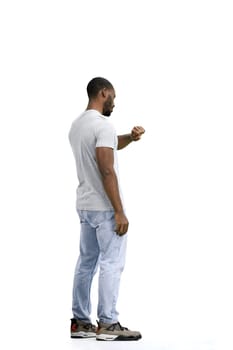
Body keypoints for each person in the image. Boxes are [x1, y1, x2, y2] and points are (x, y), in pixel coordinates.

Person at [68, 77, 145, 341]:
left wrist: (130, 139)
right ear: (104, 93)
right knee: (112, 263)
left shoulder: (78, 125)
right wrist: (119, 211)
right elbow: (106, 167)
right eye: (113, 96)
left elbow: (107, 147)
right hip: (104, 208)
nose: (115, 102)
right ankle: (108, 323)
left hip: (85, 206)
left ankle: (81, 323)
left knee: (86, 262)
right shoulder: (102, 125)